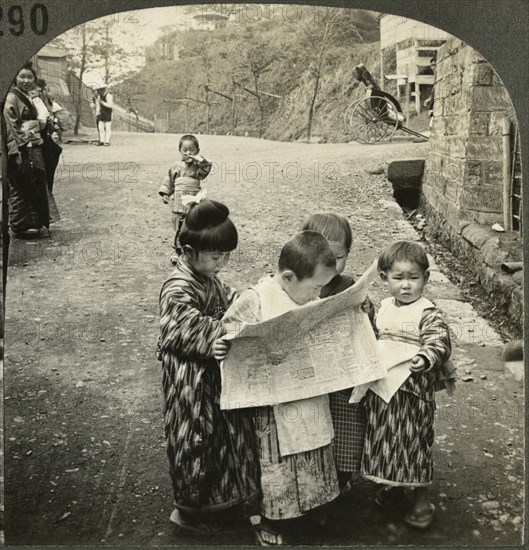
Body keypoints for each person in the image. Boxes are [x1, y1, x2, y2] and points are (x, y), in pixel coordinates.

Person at [219, 231, 341, 546]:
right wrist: (232, 344)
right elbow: (229, 330)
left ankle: (313, 506)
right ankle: (272, 518)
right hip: (272, 405)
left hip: (308, 392)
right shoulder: (257, 298)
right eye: (314, 287)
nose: (318, 295)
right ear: (287, 277)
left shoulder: (310, 300)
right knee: (276, 463)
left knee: (313, 450)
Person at [158, 198, 260, 537]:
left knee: (220, 438)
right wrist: (214, 335)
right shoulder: (178, 286)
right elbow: (181, 327)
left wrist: (256, 297)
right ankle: (188, 510)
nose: (222, 263)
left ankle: (220, 502)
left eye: (226, 256)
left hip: (212, 378)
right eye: (216, 256)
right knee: (194, 440)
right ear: (189, 250)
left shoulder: (211, 279)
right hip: (190, 382)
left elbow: (233, 300)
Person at [359, 241, 456, 530]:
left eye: (413, 278)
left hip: (413, 393)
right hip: (384, 391)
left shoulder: (428, 312)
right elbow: (375, 333)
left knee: (414, 442)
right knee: (386, 440)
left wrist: (426, 357)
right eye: (397, 278)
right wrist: (366, 313)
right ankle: (394, 487)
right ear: (384, 277)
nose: (405, 286)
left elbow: (440, 340)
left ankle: (420, 498)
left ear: (426, 278)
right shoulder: (386, 307)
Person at [301, 213, 374, 491]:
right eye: (324, 258)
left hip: (341, 377)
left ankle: (343, 475)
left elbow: (366, 328)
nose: (332, 266)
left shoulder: (348, 286)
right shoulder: (297, 285)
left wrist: (368, 310)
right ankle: (313, 473)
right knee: (310, 425)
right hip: (309, 374)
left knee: (346, 424)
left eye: (339, 258)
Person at [3, 62, 51, 238]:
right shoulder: (11, 97)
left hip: (33, 145)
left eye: (29, 77)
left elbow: (44, 119)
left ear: (34, 79)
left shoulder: (32, 96)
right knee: (19, 183)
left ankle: (34, 222)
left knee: (35, 181)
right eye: (22, 76)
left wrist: (36, 124)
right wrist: (20, 146)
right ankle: (19, 224)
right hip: (20, 147)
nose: (26, 80)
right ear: (15, 78)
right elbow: (11, 125)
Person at [159, 134, 212, 260]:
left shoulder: (198, 167)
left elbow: (207, 167)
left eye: (192, 150)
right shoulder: (175, 166)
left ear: (198, 151)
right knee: (179, 229)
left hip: (193, 203)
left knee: (194, 228)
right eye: (185, 150)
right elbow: (169, 181)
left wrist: (199, 160)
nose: (188, 153)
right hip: (178, 204)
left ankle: (193, 252)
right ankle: (178, 252)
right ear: (179, 151)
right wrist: (166, 193)